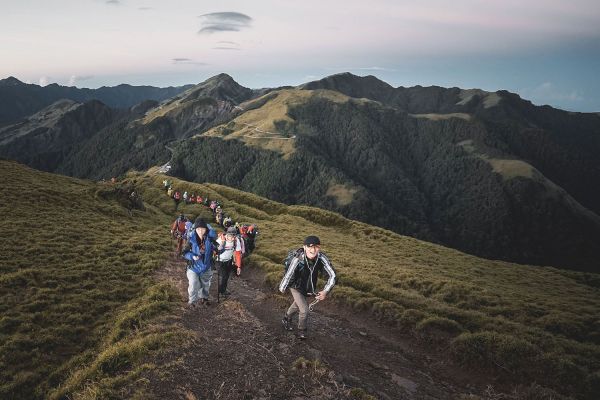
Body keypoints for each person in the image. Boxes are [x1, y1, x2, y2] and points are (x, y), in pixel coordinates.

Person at [279, 236, 336, 339]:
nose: (313, 249)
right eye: (310, 246)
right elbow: (289, 274)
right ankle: (302, 330)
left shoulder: (321, 258)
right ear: (304, 247)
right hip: (295, 286)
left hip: (308, 287)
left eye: (316, 247)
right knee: (304, 309)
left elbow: (332, 275)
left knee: (297, 304)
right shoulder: (297, 259)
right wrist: (282, 287)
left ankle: (286, 319)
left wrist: (325, 291)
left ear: (319, 248)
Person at [182, 218, 217, 307]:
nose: (200, 231)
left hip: (206, 266)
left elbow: (217, 249)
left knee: (205, 284)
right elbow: (184, 253)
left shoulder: (210, 239)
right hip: (193, 266)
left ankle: (204, 298)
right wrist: (192, 256)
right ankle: (192, 301)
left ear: (206, 229)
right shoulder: (191, 239)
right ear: (195, 229)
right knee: (193, 283)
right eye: (198, 229)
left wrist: (219, 250)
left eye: (203, 229)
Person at [216, 226, 243, 297]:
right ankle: (221, 291)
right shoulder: (221, 240)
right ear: (227, 235)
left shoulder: (236, 241)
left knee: (227, 276)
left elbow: (237, 254)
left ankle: (223, 290)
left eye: (234, 236)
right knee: (224, 276)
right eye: (231, 236)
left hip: (228, 260)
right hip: (219, 261)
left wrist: (238, 267)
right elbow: (214, 250)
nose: (232, 238)